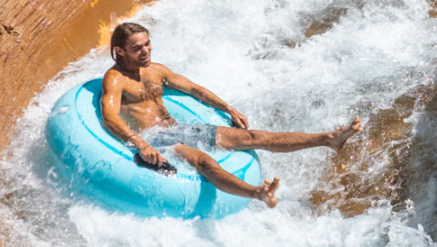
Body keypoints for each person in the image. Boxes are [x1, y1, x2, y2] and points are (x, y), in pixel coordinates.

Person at [99, 22, 360, 208]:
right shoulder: (115, 79)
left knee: (254, 137)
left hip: (178, 128)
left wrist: (228, 108)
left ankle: (328, 139)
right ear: (120, 51)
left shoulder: (155, 70)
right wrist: (142, 144)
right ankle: (258, 193)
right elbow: (110, 117)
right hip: (155, 138)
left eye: (147, 44)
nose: (146, 51)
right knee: (204, 162)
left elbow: (195, 90)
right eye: (137, 48)